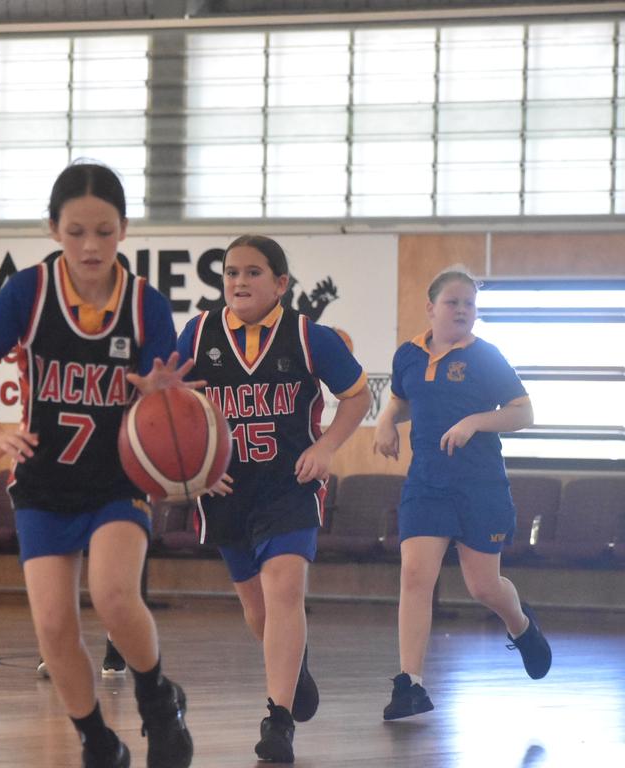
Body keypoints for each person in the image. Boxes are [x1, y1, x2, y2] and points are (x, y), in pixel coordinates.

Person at [0, 162, 194, 768]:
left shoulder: (146, 306)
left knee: (114, 596)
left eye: (105, 231)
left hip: (118, 478)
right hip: (43, 479)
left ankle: (157, 699)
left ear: (124, 230)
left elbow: (169, 413)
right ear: (53, 228)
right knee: (55, 624)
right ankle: (97, 740)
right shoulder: (28, 293)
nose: (91, 245)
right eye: (77, 231)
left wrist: (165, 397)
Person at [176, 235, 370, 763]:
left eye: (253, 272)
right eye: (231, 272)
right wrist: (195, 471)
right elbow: (171, 408)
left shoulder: (309, 336)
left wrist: (328, 446)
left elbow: (358, 395)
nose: (239, 281)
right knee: (258, 611)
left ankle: (277, 720)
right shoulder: (198, 335)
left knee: (284, 591)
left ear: (280, 283)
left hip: (290, 485)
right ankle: (296, 665)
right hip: (227, 489)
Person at [372, 266, 551, 721]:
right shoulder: (408, 355)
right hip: (426, 483)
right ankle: (409, 683)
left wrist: (474, 421)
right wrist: (386, 421)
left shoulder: (485, 356)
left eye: (469, 304)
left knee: (483, 586)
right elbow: (402, 397)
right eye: (453, 302)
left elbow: (523, 411)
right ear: (431, 308)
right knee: (415, 576)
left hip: (480, 486)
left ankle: (522, 625)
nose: (462, 310)